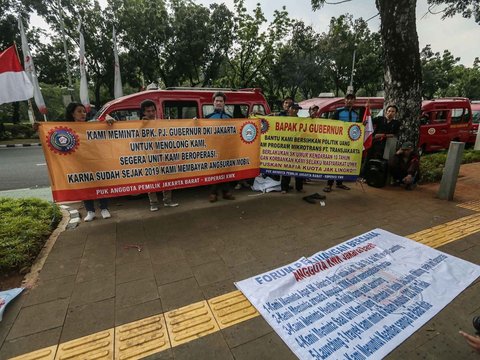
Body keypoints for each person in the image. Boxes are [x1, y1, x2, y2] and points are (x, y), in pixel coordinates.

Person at [65, 102, 112, 222]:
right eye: (79, 111)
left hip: (96, 160)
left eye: (84, 111)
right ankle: (90, 211)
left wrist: (109, 119)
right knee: (85, 185)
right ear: (72, 114)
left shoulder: (92, 125)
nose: (83, 114)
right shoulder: (66, 128)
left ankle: (104, 209)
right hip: (79, 162)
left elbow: (107, 121)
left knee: (100, 184)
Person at [140, 99, 179, 211]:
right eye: (148, 111)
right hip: (149, 157)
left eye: (153, 110)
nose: (151, 113)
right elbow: (136, 140)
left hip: (163, 156)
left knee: (166, 178)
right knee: (151, 180)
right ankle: (153, 203)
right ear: (144, 112)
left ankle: (167, 201)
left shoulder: (161, 122)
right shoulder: (139, 125)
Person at [324, 93, 360, 193]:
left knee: (343, 163)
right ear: (345, 100)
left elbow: (356, 127)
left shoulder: (355, 114)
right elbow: (331, 125)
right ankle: (329, 184)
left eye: (351, 99)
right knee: (334, 163)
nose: (349, 101)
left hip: (349, 143)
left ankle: (339, 183)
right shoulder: (338, 112)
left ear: (354, 101)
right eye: (347, 99)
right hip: (337, 142)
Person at [205, 92, 235, 202]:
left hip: (225, 149)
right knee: (214, 172)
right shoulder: (207, 118)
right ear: (213, 103)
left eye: (221, 101)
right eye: (216, 101)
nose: (218, 103)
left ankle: (226, 192)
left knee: (226, 171)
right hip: (212, 150)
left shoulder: (229, 118)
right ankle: (213, 194)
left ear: (224, 103)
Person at [281, 103, 304, 194]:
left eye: (297, 109)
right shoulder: (283, 119)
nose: (295, 110)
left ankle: (299, 187)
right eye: (293, 108)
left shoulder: (301, 121)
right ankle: (284, 188)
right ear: (289, 109)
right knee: (286, 169)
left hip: (298, 148)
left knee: (299, 168)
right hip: (287, 148)